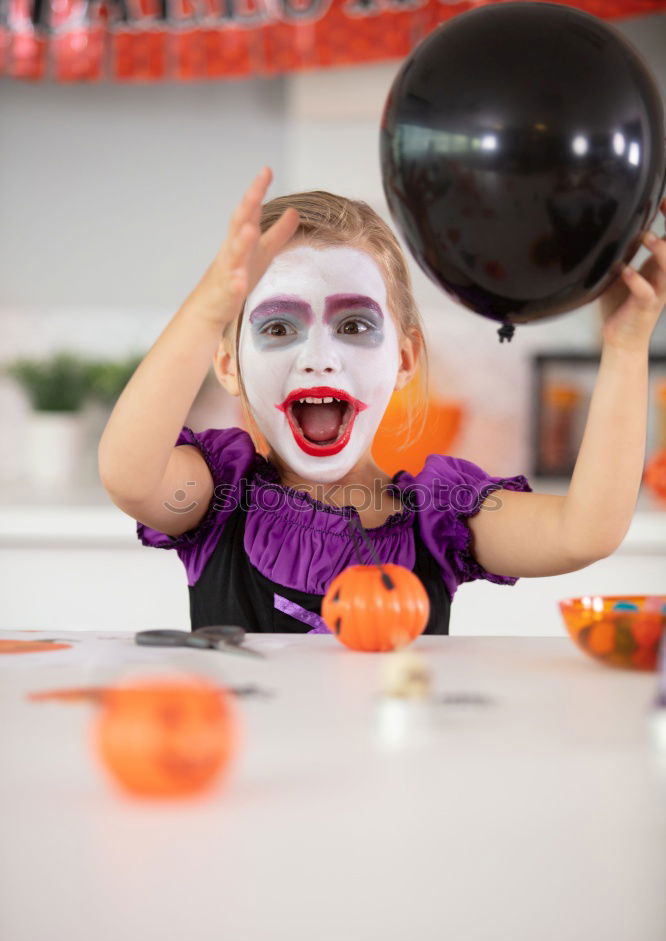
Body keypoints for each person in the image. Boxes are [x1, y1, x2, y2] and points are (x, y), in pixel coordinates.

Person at [98, 168, 666, 634]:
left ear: (404, 360)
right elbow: (130, 474)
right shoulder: (215, 496)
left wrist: (625, 344)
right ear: (229, 366)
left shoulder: (441, 519)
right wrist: (206, 311)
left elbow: (583, 533)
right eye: (276, 329)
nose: (319, 357)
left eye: (353, 325)